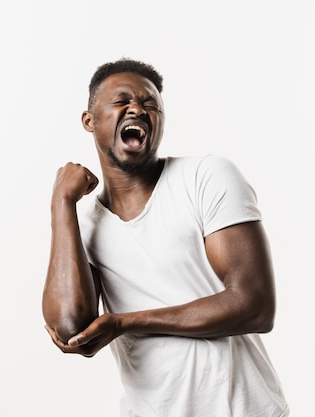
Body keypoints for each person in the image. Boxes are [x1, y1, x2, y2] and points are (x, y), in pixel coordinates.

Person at [42, 58, 290, 417]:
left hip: (243, 409)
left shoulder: (206, 177)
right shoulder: (85, 224)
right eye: (121, 101)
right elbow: (70, 328)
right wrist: (61, 203)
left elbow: (255, 306)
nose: (137, 109)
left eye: (150, 104)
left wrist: (125, 322)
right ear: (89, 120)